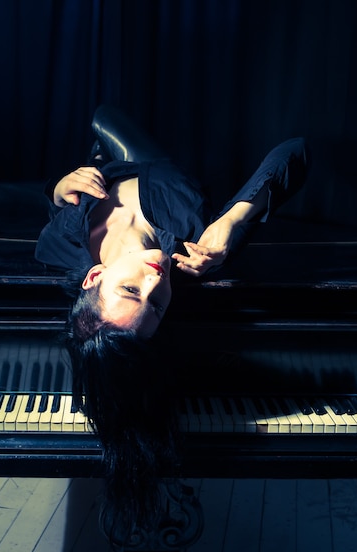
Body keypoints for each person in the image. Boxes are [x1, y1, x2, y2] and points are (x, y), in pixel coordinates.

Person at [35, 110, 308, 528]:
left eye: (129, 290)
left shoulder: (55, 248)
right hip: (154, 164)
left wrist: (59, 190)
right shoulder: (194, 248)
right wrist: (234, 220)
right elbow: (296, 151)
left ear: (95, 276)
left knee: (101, 114)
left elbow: (51, 210)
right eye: (158, 305)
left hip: (108, 165)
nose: (154, 281)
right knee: (114, 121)